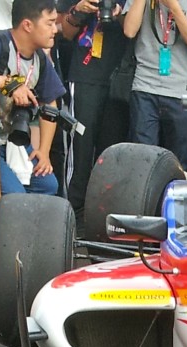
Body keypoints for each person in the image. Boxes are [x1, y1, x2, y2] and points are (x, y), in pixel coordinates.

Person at [0, 0, 66, 195]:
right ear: (27, 25)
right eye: (49, 23)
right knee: (15, 195)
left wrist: (43, 151)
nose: (55, 29)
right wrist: (6, 83)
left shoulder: (39, 58)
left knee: (48, 185)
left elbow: (51, 101)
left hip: (11, 141)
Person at [56, 0, 129, 227]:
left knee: (112, 153)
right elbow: (63, 32)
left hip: (122, 75)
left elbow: (135, 30)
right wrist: (79, 12)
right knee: (81, 149)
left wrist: (119, 15)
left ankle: (103, 220)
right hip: (85, 74)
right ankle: (71, 217)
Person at [122, 0, 187, 169]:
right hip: (145, 85)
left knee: (178, 161)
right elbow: (129, 30)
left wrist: (174, 6)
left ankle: (173, 196)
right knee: (143, 159)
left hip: (180, 90)